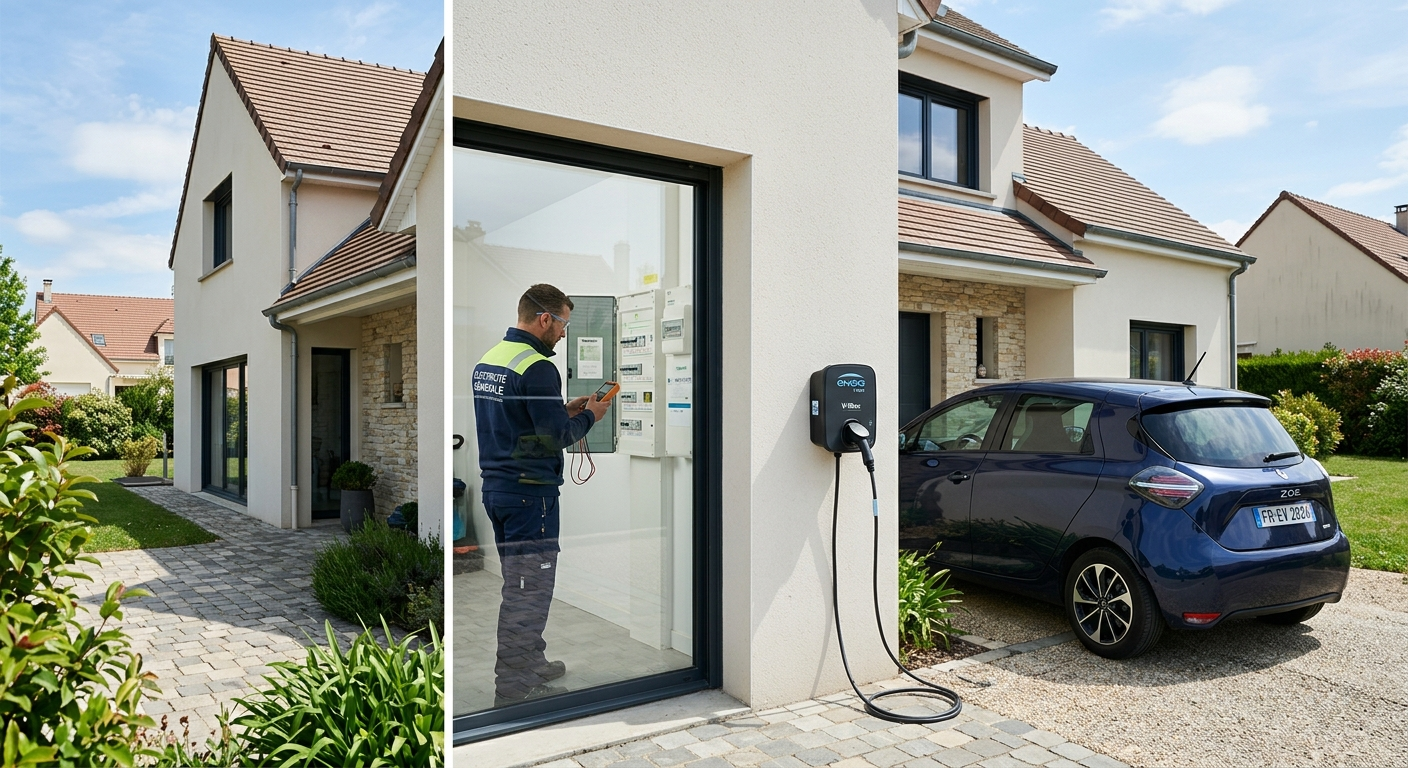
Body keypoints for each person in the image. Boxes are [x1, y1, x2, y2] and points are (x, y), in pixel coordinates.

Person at [473, 283, 611, 706]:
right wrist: (591, 414)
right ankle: (513, 688)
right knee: (528, 590)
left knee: (520, 582)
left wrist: (561, 410)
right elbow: (557, 439)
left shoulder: (490, 361)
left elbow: (519, 425)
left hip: (498, 490)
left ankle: (530, 661)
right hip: (530, 496)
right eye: (564, 323)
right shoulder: (537, 367)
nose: (565, 333)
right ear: (544, 319)